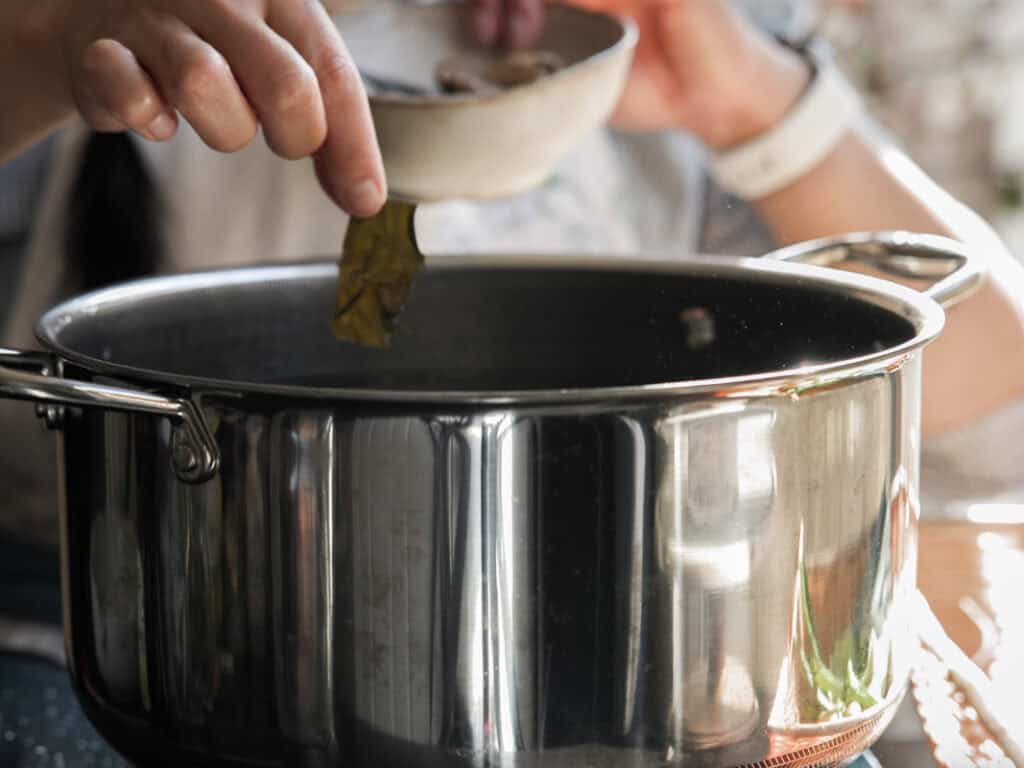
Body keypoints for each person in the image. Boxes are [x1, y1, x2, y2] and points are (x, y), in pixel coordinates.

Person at [2, 0, 1024, 550]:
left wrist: (753, 107)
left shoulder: (676, 64)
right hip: (182, 605)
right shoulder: (130, 47)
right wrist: (46, 41)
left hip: (630, 612)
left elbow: (1000, 430)